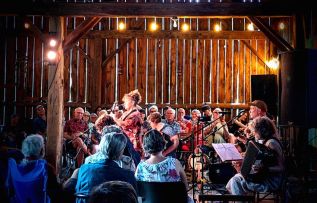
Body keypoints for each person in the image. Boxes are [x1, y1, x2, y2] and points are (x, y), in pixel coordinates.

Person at [63, 132, 137, 203]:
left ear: (101, 148)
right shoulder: (128, 176)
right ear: (120, 151)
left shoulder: (84, 169)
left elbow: (73, 192)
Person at [226, 116, 284, 195]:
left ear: (261, 130)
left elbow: (281, 168)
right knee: (235, 179)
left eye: (254, 131)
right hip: (262, 177)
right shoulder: (265, 141)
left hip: (271, 181)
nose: (253, 133)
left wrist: (263, 168)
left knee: (235, 181)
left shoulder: (272, 143)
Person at [135, 129, 193, 203]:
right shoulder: (175, 163)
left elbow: (137, 191)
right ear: (163, 144)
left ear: (145, 146)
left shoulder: (140, 167)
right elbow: (185, 187)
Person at [16, 134, 61, 202]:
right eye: (43, 145)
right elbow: (56, 194)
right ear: (41, 150)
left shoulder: (17, 168)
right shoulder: (46, 168)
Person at [111, 89, 143, 154]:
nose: (124, 104)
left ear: (132, 102)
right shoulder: (126, 113)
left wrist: (114, 118)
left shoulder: (135, 114)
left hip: (133, 144)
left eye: (126, 101)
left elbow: (125, 124)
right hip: (125, 142)